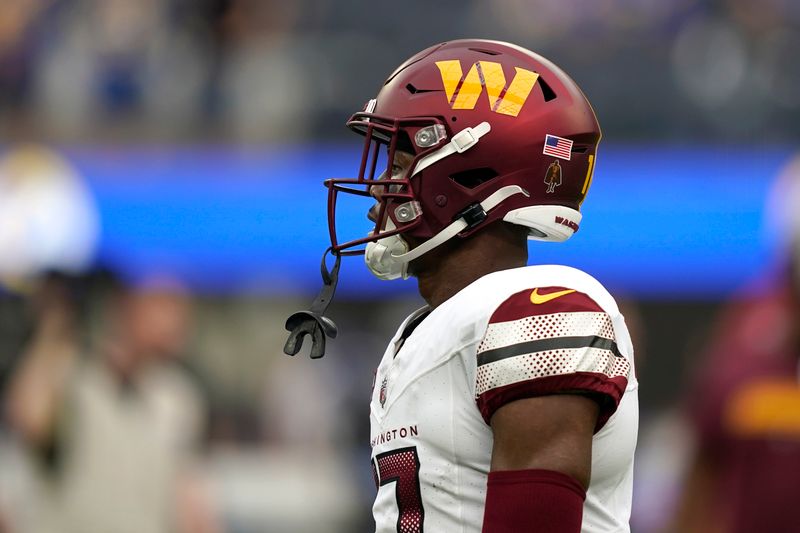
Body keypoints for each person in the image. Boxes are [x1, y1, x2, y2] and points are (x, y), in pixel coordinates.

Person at [285, 39, 638, 532]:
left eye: (401, 163)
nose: (378, 189)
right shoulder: (429, 331)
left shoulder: (537, 311)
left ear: (472, 171)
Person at [5, 274, 220, 533]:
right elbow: (27, 418)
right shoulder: (71, 378)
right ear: (124, 308)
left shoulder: (176, 396)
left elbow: (187, 498)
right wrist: (55, 323)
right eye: (162, 304)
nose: (177, 320)